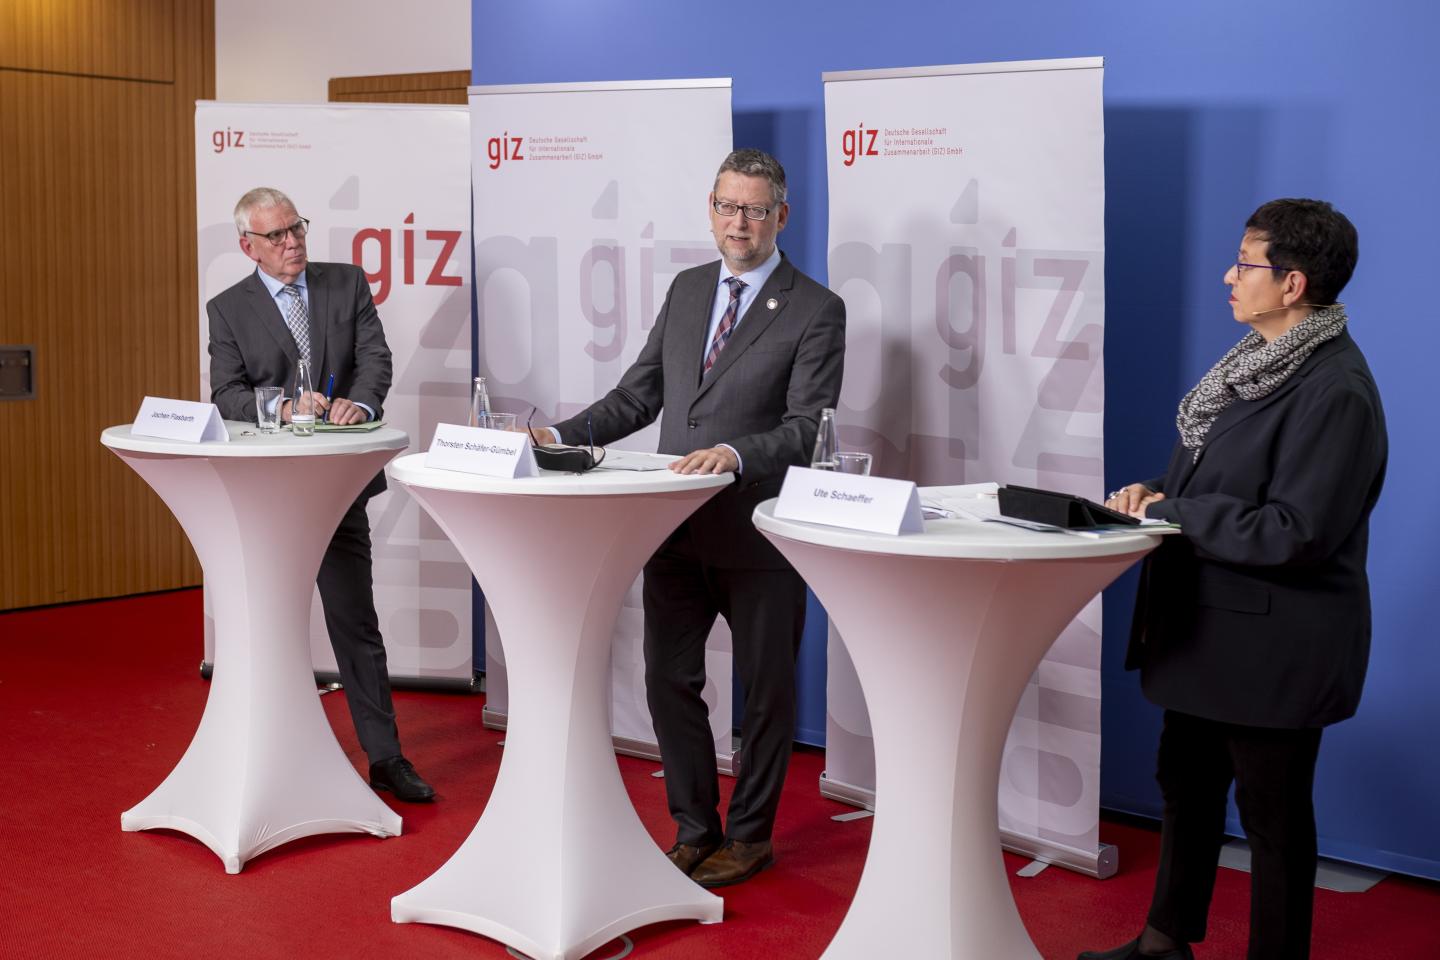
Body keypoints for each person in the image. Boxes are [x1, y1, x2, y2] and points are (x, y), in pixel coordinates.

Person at [1080, 199, 1386, 960]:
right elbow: (1226, 482)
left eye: (1245, 263)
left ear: (1292, 284)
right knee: (1184, 788)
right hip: (1207, 629)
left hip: (1274, 645)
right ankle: (1164, 942)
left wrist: (1175, 512)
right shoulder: (1253, 365)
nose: (1229, 276)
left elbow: (1297, 530)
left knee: (1272, 820)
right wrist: (1154, 493)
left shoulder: (1336, 390)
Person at [533, 149, 846, 887]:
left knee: (765, 695)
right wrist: (557, 436)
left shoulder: (816, 308)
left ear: (781, 216)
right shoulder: (687, 289)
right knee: (669, 680)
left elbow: (810, 427)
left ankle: (750, 838)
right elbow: (638, 396)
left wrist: (734, 453)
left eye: (755, 210)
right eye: (727, 207)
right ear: (711, 209)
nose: (739, 223)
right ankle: (695, 828)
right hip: (672, 528)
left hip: (757, 532)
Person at [206, 187, 435, 803]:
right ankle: (264, 756)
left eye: (297, 228)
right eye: (277, 235)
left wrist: (361, 404)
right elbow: (225, 395)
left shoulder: (346, 283)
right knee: (266, 623)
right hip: (267, 495)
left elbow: (376, 359)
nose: (293, 242)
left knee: (355, 622)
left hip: (336, 486)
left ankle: (386, 759)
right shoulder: (227, 309)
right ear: (248, 246)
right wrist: (283, 406)